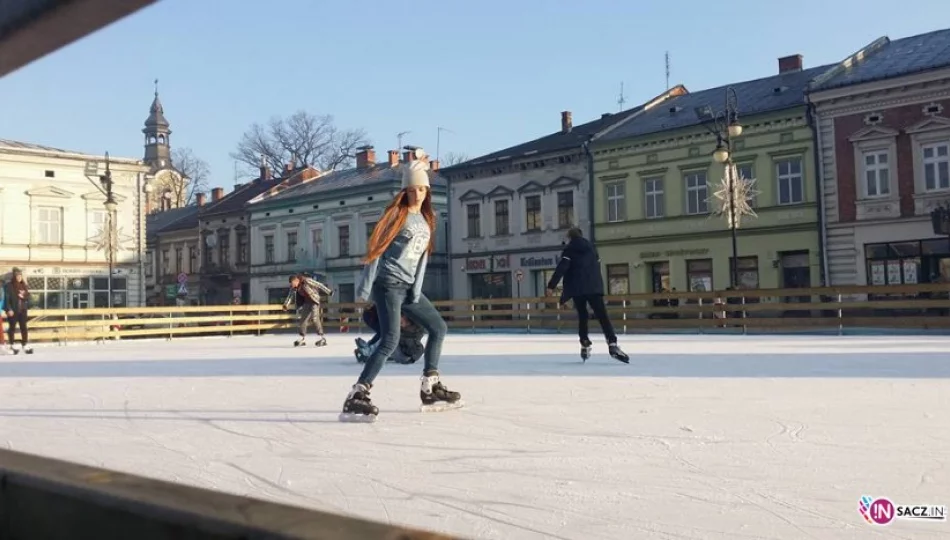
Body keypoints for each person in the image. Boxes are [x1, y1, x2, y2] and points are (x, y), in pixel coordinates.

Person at [341, 150, 459, 421]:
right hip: (387, 285)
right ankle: (358, 393)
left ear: (427, 190)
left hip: (408, 288)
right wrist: (363, 290)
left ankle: (430, 385)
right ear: (404, 190)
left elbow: (422, 260)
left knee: (439, 328)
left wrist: (416, 291)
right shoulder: (396, 215)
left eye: (421, 189)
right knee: (390, 339)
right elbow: (376, 252)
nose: (417, 194)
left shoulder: (427, 220)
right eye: (412, 189)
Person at [546, 228, 628, 363]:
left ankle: (584, 341)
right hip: (594, 287)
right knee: (602, 315)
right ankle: (612, 343)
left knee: (582, 315)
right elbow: (597, 267)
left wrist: (551, 286)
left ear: (569, 237)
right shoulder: (592, 248)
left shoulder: (569, 250)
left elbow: (562, 267)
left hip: (578, 288)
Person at [355, 304, 426, 365]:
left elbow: (419, 349)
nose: (399, 324)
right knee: (388, 336)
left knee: (389, 337)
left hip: (404, 357)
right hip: (400, 353)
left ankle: (369, 351)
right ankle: (369, 348)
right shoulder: (405, 329)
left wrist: (413, 357)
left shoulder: (414, 334)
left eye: (401, 322)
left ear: (407, 321)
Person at [283, 273, 333, 347]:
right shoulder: (294, 288)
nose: (292, 285)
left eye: (293, 283)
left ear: (296, 280)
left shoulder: (306, 280)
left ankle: (322, 338)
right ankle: (302, 338)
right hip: (306, 302)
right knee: (303, 320)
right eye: (291, 284)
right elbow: (290, 296)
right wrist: (286, 304)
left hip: (314, 301)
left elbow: (319, 284)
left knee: (315, 318)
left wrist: (328, 291)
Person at [5, 267, 32, 355]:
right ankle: (11, 344)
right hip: (13, 311)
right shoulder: (9, 286)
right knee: (12, 328)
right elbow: (6, 299)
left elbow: (28, 296)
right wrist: (8, 309)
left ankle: (25, 344)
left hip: (22, 310)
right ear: (14, 276)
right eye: (17, 276)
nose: (19, 277)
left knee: (24, 328)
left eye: (20, 275)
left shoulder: (24, 285)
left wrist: (23, 296)